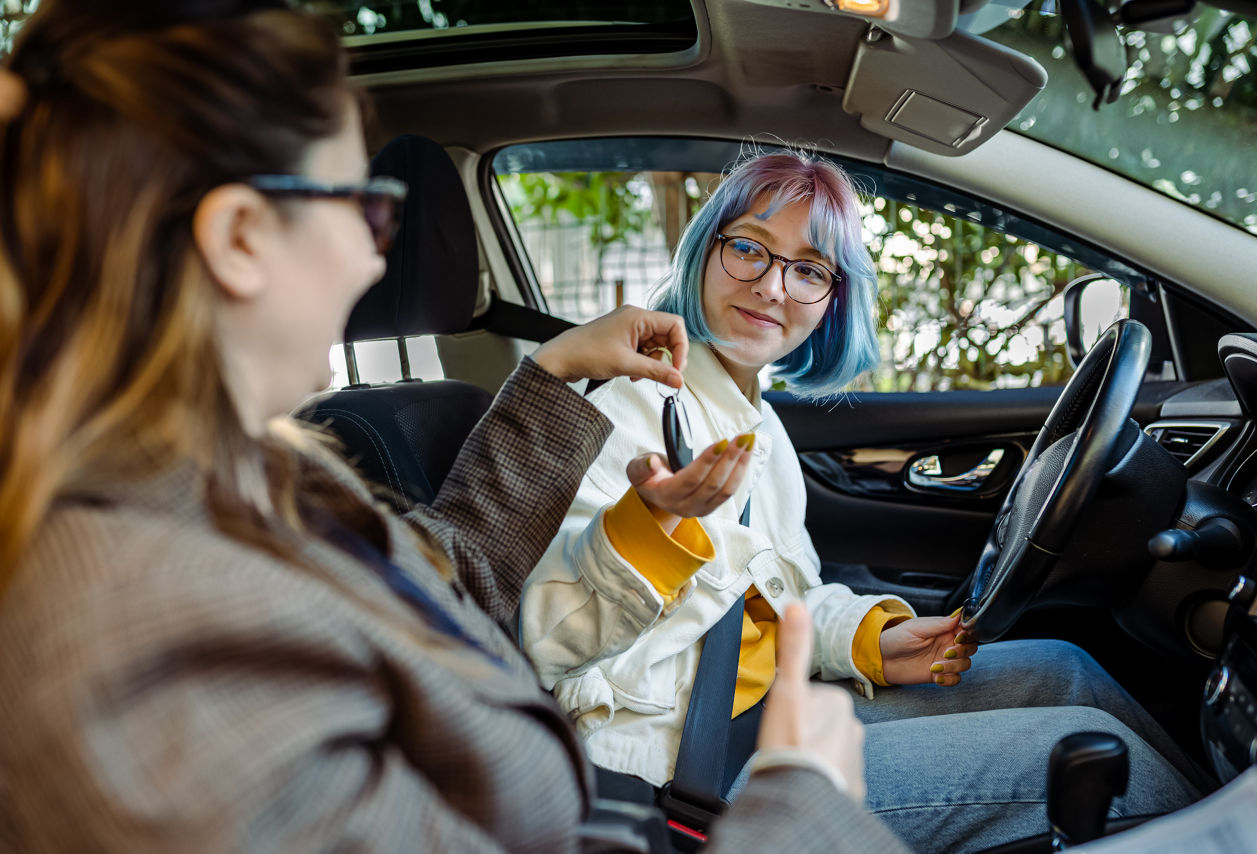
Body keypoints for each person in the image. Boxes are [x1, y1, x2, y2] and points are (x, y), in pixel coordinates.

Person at [0, 2, 913, 851]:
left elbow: (444, 577)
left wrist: (556, 368)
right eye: (363, 207)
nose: (373, 252)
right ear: (241, 238)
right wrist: (800, 801)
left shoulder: (251, 475)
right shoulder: (134, 654)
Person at [520, 149, 1209, 852]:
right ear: (704, 252)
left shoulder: (762, 428)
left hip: (766, 711)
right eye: (750, 250)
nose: (772, 286)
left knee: (1065, 670)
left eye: (809, 270)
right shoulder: (628, 406)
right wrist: (651, 528)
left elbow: (779, 602)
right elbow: (543, 638)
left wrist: (869, 641)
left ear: (832, 299)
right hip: (681, 770)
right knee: (1089, 753)